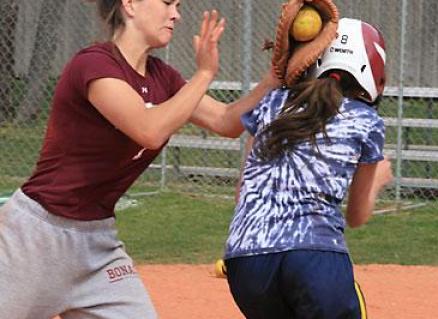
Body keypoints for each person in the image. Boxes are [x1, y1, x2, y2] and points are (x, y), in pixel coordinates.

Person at [0, 0, 279, 318]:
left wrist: (275, 77)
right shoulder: (94, 64)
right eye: (166, 3)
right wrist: (204, 73)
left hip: (97, 244)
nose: (176, 14)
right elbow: (149, 130)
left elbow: (226, 121)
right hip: (35, 238)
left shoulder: (163, 78)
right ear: (130, 4)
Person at [224, 18, 394, 319]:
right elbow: (356, 216)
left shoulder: (272, 102)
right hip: (314, 257)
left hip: (245, 262)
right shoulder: (366, 120)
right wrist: (379, 178)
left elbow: (243, 193)